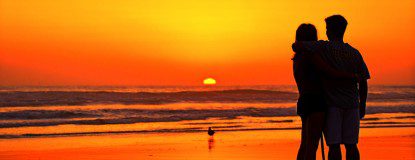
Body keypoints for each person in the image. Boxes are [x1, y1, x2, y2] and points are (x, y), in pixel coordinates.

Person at [293, 15, 370, 160]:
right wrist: (362, 103)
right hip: (349, 103)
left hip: (328, 104)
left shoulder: (321, 49)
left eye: (327, 28)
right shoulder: (354, 53)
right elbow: (363, 80)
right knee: (351, 144)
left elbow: (296, 46)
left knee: (328, 144)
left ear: (330, 31)